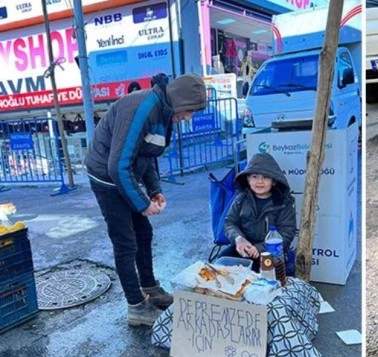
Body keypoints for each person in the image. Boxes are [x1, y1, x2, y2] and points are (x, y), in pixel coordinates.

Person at [84, 74, 207, 326]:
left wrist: (154, 189)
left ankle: (149, 287)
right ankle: (136, 307)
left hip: (123, 173)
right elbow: (118, 166)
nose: (188, 117)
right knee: (125, 242)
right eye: (189, 110)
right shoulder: (142, 109)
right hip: (106, 178)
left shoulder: (164, 109)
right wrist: (142, 204)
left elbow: (147, 153)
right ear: (180, 100)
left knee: (144, 234)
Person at [218, 153, 296, 271]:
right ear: (248, 179)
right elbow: (229, 222)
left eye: (265, 177)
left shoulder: (283, 203)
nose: (259, 181)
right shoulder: (241, 198)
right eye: (254, 176)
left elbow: (287, 232)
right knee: (222, 262)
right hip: (245, 248)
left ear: (273, 181)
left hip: (271, 251)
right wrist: (238, 238)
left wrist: (261, 248)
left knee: (263, 274)